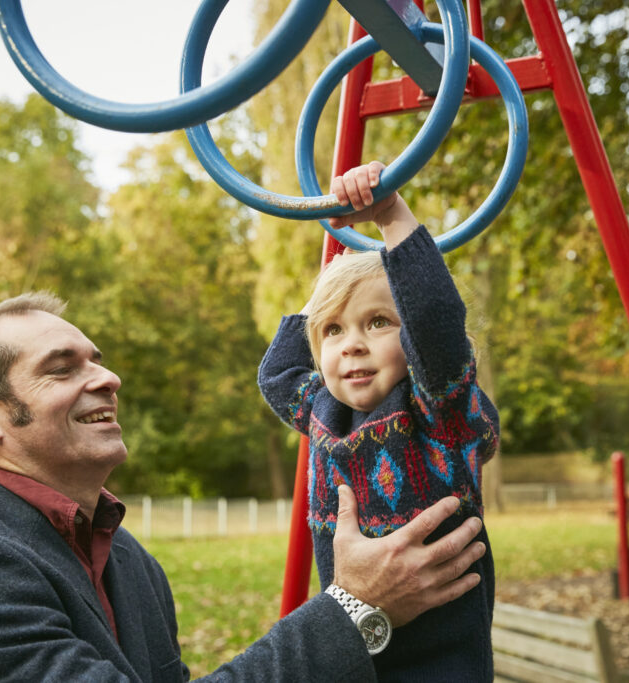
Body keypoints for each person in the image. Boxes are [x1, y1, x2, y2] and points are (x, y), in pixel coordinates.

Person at [0, 290, 489, 682]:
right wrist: (354, 606)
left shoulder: (130, 562)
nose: (107, 379)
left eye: (96, 360)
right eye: (61, 369)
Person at [258, 162, 500, 681]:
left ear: (409, 338)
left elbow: (435, 318)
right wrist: (327, 294)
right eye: (333, 332)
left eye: (377, 322)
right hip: (355, 652)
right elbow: (277, 372)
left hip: (441, 660)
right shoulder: (322, 410)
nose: (352, 344)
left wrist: (389, 213)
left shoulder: (436, 410)